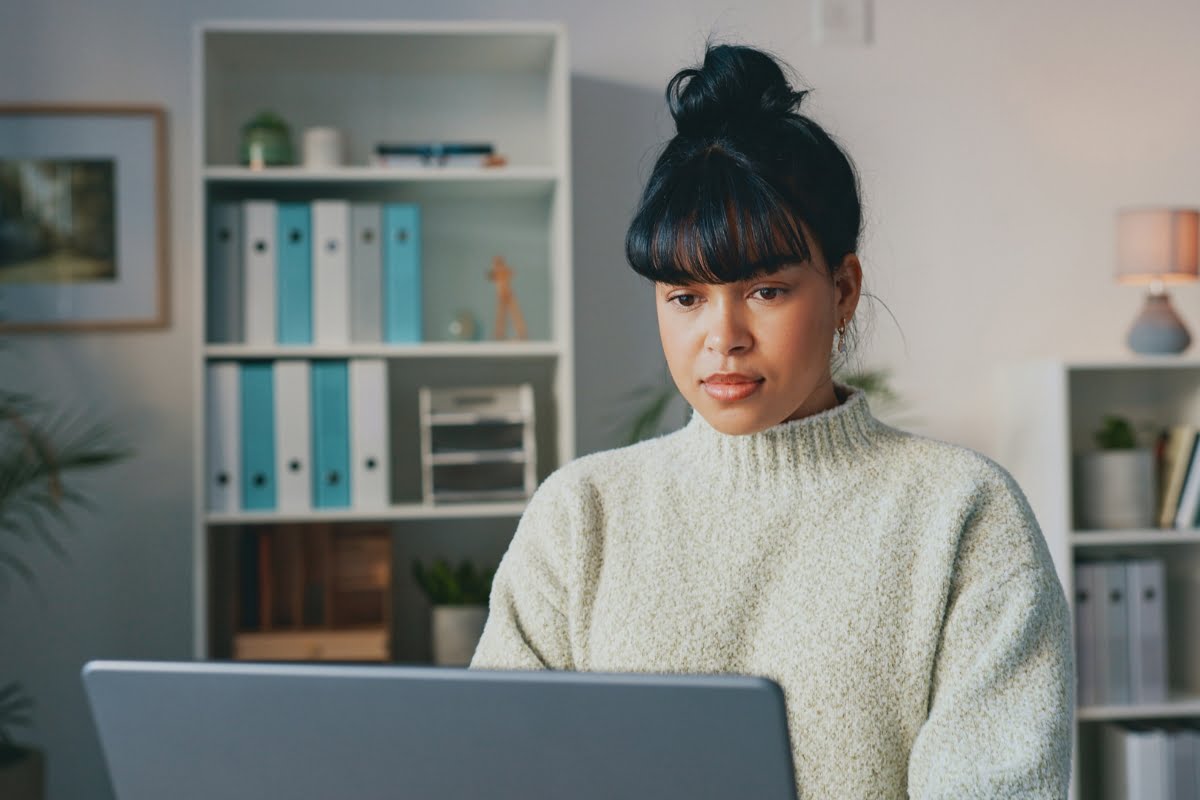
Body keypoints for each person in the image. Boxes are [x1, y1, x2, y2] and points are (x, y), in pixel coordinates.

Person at [470, 43, 1072, 798]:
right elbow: (498, 771)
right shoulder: (581, 514)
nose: (722, 337)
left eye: (765, 291)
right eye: (684, 297)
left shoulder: (962, 512)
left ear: (844, 288)